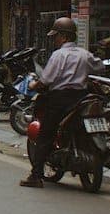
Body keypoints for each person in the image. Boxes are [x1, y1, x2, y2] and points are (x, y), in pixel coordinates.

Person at [21, 18, 94, 188]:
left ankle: (35, 176)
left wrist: (34, 85)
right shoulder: (85, 54)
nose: (54, 40)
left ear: (63, 36)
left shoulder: (58, 55)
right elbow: (98, 68)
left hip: (60, 99)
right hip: (82, 98)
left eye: (56, 36)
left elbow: (46, 80)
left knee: (45, 135)